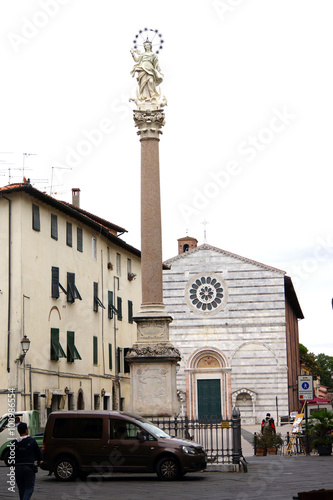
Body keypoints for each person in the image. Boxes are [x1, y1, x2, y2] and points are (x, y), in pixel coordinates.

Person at [13, 422, 42, 500]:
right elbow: (38, 453)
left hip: (18, 468)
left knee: (21, 489)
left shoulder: (13, 442)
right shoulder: (31, 441)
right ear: (26, 430)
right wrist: (39, 461)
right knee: (29, 488)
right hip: (29, 467)